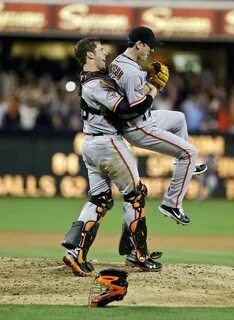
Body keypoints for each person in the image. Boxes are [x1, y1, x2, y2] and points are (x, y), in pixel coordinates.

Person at [61, 37, 162, 276]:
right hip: (108, 144)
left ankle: (75, 252)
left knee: (100, 198)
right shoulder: (96, 83)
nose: (105, 52)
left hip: (91, 143)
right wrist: (153, 92)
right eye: (100, 50)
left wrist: (144, 83)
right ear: (89, 56)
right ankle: (138, 255)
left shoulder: (90, 80)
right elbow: (127, 111)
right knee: (136, 195)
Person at [109, 26, 207, 228]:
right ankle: (171, 204)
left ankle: (185, 166)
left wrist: (146, 78)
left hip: (142, 119)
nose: (151, 50)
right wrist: (153, 89)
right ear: (139, 44)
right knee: (190, 152)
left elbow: (128, 90)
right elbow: (135, 107)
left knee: (179, 118)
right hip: (138, 126)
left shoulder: (118, 62)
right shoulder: (131, 73)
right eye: (149, 46)